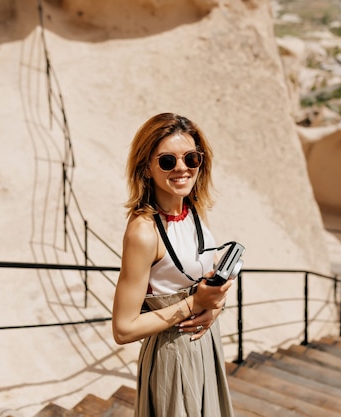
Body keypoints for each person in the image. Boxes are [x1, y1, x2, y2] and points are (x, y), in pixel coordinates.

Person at [112, 113, 235, 417]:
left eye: (191, 158)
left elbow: (203, 273)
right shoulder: (143, 232)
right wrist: (195, 303)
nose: (182, 168)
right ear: (146, 169)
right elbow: (123, 329)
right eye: (167, 161)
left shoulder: (193, 208)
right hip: (173, 355)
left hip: (206, 343)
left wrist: (215, 304)